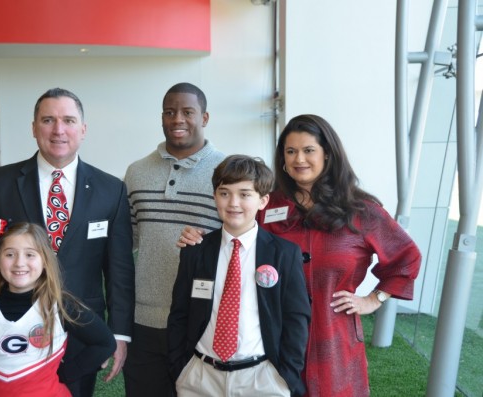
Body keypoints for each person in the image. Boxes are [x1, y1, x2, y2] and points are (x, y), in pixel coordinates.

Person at [179, 114, 422, 396]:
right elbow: (234, 236)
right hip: (274, 334)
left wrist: (373, 299)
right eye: (291, 151)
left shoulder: (361, 210)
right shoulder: (268, 204)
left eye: (309, 150)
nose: (299, 159)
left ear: (327, 154)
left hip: (331, 336)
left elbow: (407, 257)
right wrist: (196, 236)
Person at [0, 87, 135, 397]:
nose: (59, 130)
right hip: (10, 328)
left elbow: (119, 269)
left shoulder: (111, 190)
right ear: (34, 128)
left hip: (80, 333)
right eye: (48, 120)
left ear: (83, 129)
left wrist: (118, 334)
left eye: (68, 120)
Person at [168, 154, 311, 397]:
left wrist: (286, 372)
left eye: (245, 194)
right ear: (215, 197)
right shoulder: (196, 251)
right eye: (224, 193)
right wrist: (180, 367)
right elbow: (180, 313)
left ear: (263, 201)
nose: (233, 202)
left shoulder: (284, 254)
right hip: (200, 376)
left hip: (262, 377)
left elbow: (296, 317)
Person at [122, 82, 225, 396]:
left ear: (204, 118)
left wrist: (210, 241)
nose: (177, 119)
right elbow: (128, 240)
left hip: (202, 318)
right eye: (169, 112)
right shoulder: (136, 172)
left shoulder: (227, 171)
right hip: (144, 320)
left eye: (187, 112)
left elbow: (243, 240)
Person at [0, 221, 116, 396]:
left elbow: (105, 343)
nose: (20, 263)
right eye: (10, 254)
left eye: (30, 254)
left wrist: (65, 374)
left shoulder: (60, 306)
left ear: (45, 260)